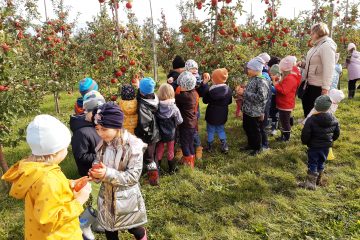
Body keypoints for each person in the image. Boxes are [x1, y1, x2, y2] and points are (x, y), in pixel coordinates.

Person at [2, 115, 91, 240]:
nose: (67, 150)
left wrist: (68, 184)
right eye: (65, 148)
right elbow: (50, 220)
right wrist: (80, 200)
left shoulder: (37, 170)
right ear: (54, 152)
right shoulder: (47, 179)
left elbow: (46, 194)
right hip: (59, 236)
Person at [89, 102, 148, 240]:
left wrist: (107, 174)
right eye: (97, 129)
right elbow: (98, 161)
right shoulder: (103, 144)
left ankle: (142, 236)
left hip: (127, 199)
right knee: (110, 230)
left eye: (104, 129)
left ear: (116, 127)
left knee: (134, 227)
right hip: (107, 198)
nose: (100, 133)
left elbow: (133, 177)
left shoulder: (132, 147)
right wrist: (96, 172)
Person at [300, 95, 340, 190]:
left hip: (314, 146)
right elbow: (336, 133)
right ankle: (317, 180)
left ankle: (310, 184)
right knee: (321, 161)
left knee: (313, 162)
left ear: (316, 106)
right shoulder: (334, 119)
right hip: (326, 146)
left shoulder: (311, 119)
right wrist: (330, 140)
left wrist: (305, 141)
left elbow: (306, 133)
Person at [298, 22, 337, 117]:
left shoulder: (326, 45)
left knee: (315, 112)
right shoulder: (316, 45)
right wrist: (303, 64)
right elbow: (314, 64)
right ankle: (308, 127)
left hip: (318, 85)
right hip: (309, 83)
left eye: (312, 33)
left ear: (319, 32)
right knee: (307, 107)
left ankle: (314, 129)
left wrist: (325, 88)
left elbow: (329, 67)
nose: (311, 35)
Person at [240, 57, 270, 155]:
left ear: (256, 70)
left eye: (249, 69)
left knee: (255, 130)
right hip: (248, 110)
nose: (247, 71)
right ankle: (251, 144)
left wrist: (244, 93)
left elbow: (261, 98)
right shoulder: (253, 79)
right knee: (247, 127)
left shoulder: (262, 81)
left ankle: (258, 147)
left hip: (255, 112)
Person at [134, 78, 160, 186]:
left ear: (142, 92)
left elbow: (144, 124)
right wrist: (138, 87)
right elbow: (141, 95)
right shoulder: (154, 98)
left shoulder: (143, 107)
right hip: (155, 132)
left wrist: (137, 132)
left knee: (149, 157)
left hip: (148, 135)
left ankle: (153, 178)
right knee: (153, 154)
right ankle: (155, 169)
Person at [184, 59, 210, 160]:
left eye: (196, 69)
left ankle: (198, 147)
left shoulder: (198, 79)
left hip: (194, 108)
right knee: (184, 129)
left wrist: (204, 83)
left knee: (193, 129)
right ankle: (184, 147)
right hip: (184, 107)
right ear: (187, 70)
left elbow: (202, 93)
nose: (195, 71)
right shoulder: (183, 78)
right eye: (192, 69)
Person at [203, 68, 232, 154]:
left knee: (210, 130)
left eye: (212, 78)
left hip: (212, 113)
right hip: (222, 113)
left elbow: (205, 101)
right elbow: (230, 101)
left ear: (215, 79)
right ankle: (224, 145)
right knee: (221, 129)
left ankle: (209, 146)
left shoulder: (210, 90)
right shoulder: (228, 90)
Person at [156, 83, 183, 174]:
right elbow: (180, 121)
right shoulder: (174, 108)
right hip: (171, 133)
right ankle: (171, 168)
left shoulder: (157, 107)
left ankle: (157, 168)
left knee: (160, 149)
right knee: (170, 149)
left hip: (159, 133)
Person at [273, 56, 301, 141]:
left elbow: (284, 91)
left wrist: (276, 84)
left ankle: (286, 137)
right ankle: (284, 134)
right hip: (284, 102)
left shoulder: (290, 78)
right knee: (284, 119)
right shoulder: (290, 76)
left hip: (285, 103)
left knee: (285, 121)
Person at [175, 71, 199, 168]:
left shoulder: (183, 96)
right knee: (190, 143)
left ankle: (188, 163)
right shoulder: (194, 93)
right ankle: (191, 159)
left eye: (181, 85)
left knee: (184, 144)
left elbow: (175, 97)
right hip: (192, 123)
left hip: (185, 125)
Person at [268, 57, 281, 135]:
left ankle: (274, 128)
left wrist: (271, 84)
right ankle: (272, 126)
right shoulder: (272, 78)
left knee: (275, 114)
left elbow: (276, 90)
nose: (272, 75)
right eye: (271, 74)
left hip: (277, 99)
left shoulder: (279, 80)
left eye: (273, 74)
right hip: (272, 99)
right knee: (271, 113)